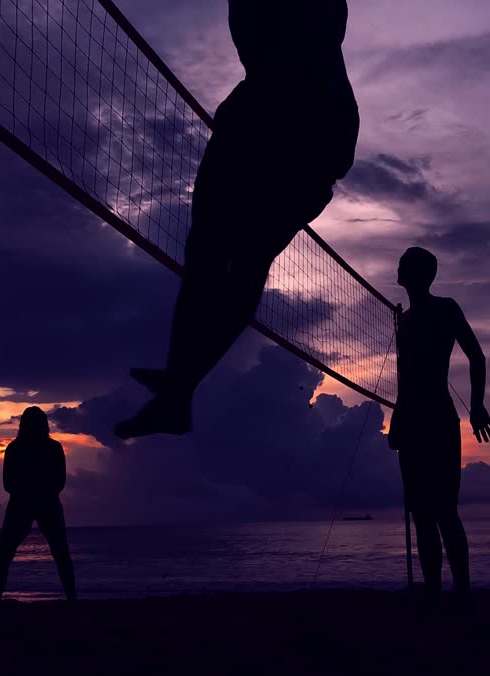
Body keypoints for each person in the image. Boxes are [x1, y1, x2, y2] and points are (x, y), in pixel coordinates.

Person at [116, 0, 359, 439]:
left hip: (300, 125)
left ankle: (178, 386)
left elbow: (306, 40)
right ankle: (178, 385)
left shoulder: (309, 34)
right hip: (284, 120)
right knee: (221, 254)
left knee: (234, 257)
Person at [387, 247, 490, 605]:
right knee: (420, 514)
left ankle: (462, 591)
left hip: (439, 417)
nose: (397, 268)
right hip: (412, 420)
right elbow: (405, 378)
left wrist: (477, 406)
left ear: (418, 273)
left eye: (403, 264)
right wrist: (397, 420)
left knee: (445, 511)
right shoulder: (403, 321)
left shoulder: (445, 308)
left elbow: (476, 355)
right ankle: (434, 591)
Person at [0, 408, 77, 602]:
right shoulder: (47, 448)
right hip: (38, 503)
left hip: (29, 503)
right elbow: (58, 482)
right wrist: (40, 491)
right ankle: (72, 598)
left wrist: (29, 491)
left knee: (4, 553)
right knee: (60, 553)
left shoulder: (18, 448)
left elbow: (9, 484)